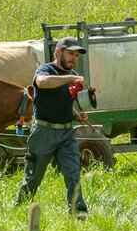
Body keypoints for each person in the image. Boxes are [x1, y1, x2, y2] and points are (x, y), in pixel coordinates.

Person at [14, 36, 90, 215]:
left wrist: (76, 115)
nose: (73, 58)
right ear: (58, 53)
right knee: (33, 177)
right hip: (43, 132)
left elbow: (63, 100)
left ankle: (78, 212)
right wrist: (69, 78)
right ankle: (20, 209)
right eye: (70, 54)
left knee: (73, 174)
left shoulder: (69, 76)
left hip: (66, 134)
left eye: (76, 55)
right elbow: (42, 83)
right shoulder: (45, 69)